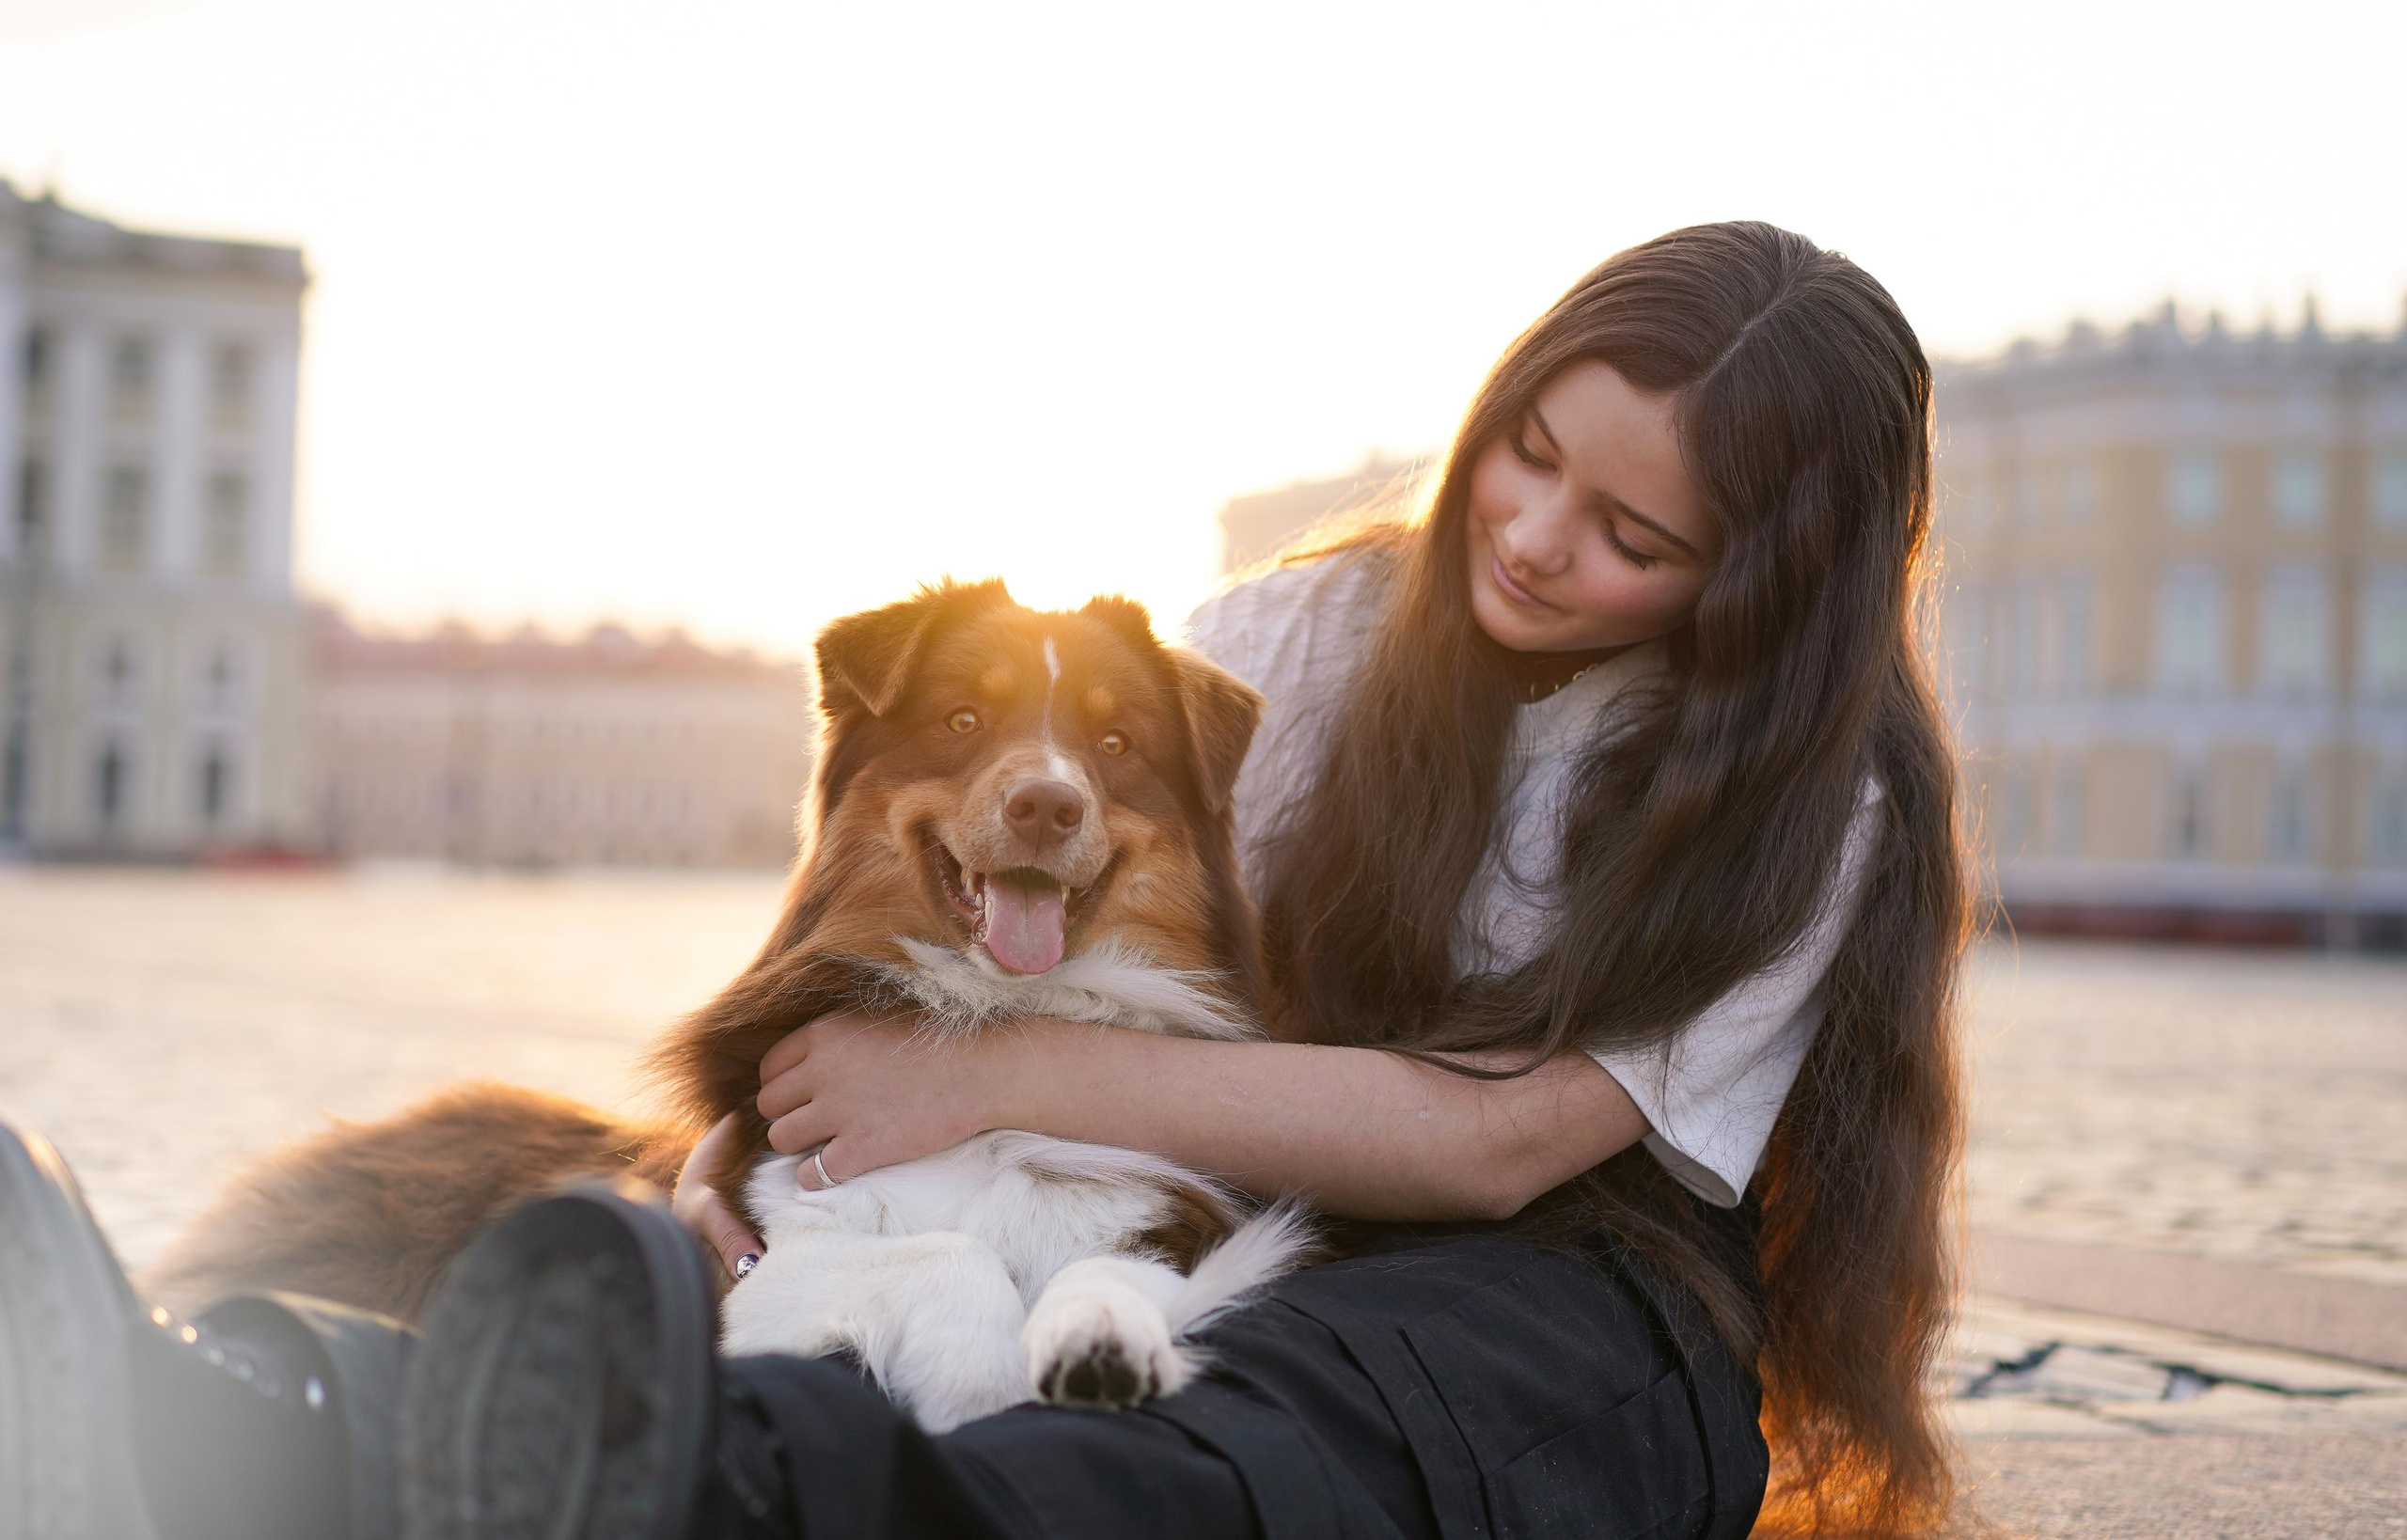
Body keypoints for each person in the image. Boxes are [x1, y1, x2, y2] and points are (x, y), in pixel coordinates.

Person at [0, 220, 1964, 1540]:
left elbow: (1501, 1144)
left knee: (1191, 1460)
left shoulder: (1808, 807)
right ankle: (249, 1409)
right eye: (1521, 451)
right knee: (909, 1332)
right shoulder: (1301, 643)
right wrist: (743, 1155)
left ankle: (544, 1482)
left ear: (1761, 587)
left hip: (1563, 1313)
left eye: (1627, 531)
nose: (1529, 539)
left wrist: (987, 1084)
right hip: (1243, 1211)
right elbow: (939, 937)